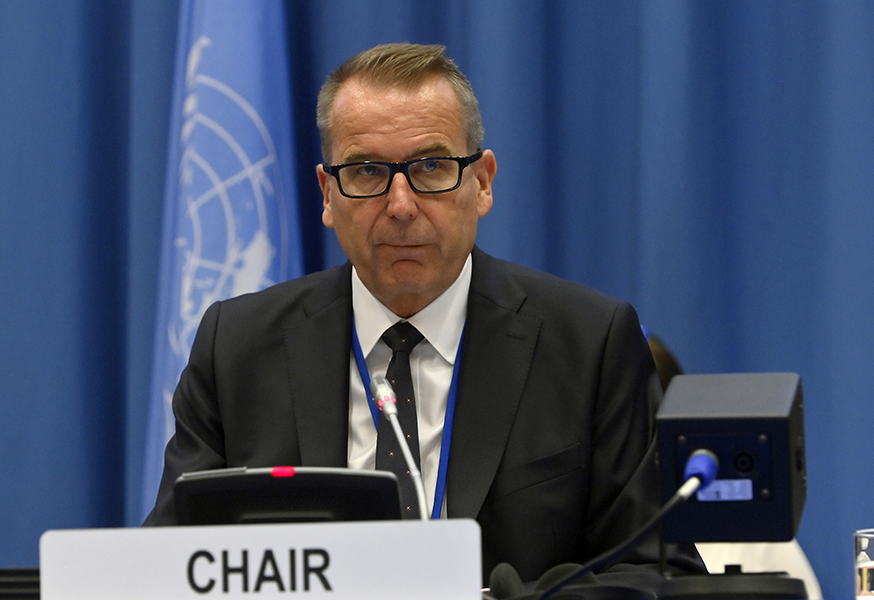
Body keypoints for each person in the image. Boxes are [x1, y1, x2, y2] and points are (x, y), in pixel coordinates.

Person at [144, 42, 703, 591]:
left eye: (432, 167)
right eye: (365, 172)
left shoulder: (589, 344)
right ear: (326, 194)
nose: (402, 205)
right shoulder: (236, 347)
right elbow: (167, 568)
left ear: (481, 183)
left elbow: (658, 571)